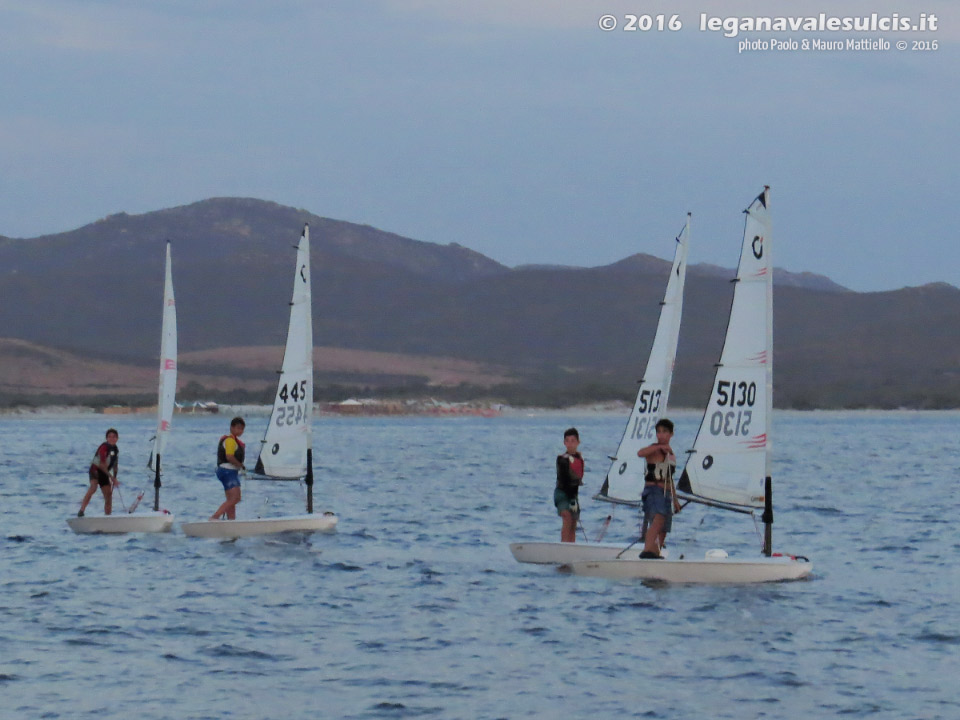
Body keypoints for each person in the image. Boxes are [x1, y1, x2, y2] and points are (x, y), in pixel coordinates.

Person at [637, 418, 682, 558]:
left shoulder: (671, 455)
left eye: (664, 432)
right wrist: (658, 447)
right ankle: (647, 550)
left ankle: (656, 552)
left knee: (664, 528)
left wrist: (675, 499)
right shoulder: (653, 450)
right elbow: (640, 453)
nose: (661, 435)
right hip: (653, 490)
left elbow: (670, 479)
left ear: (671, 434)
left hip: (666, 492)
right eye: (659, 432)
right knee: (658, 520)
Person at [78, 428, 120, 517]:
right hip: (95, 470)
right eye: (109, 437)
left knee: (108, 495)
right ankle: (81, 510)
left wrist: (115, 477)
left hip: (104, 473)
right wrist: (111, 477)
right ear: (106, 438)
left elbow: (115, 465)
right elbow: (102, 465)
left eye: (114, 437)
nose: (112, 439)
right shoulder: (104, 447)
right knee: (93, 487)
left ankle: (108, 516)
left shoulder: (115, 450)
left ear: (117, 438)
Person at [210, 417, 246, 520]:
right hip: (227, 472)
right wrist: (240, 465)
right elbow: (229, 457)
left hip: (226, 472)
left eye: (242, 429)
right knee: (236, 498)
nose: (240, 431)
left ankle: (231, 521)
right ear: (232, 427)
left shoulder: (235, 441)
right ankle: (215, 517)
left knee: (231, 500)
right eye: (238, 428)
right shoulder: (230, 440)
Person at [554, 427, 585, 543]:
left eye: (573, 441)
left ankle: (571, 546)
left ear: (578, 442)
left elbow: (578, 479)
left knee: (573, 522)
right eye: (567, 441)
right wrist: (571, 500)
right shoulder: (562, 459)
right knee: (567, 517)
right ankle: (564, 545)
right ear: (564, 443)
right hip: (562, 493)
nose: (570, 444)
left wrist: (574, 499)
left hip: (573, 494)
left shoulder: (580, 459)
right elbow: (565, 479)